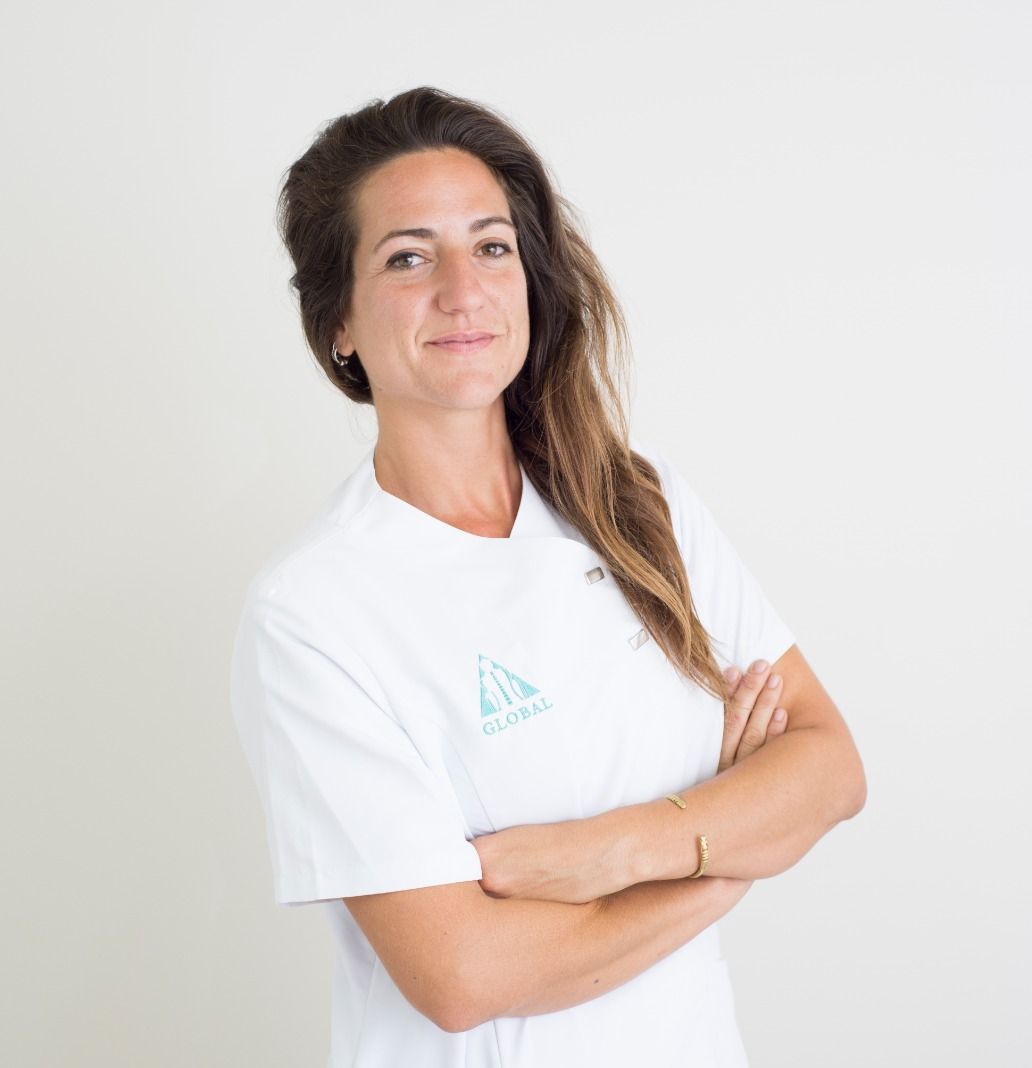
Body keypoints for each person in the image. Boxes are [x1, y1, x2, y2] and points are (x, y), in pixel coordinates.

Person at [230, 85, 867, 1067]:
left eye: (490, 246)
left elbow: (829, 768)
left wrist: (609, 853)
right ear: (339, 325)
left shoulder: (633, 500)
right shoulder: (314, 611)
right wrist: (727, 852)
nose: (462, 287)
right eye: (408, 256)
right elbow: (460, 977)